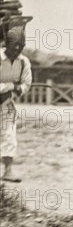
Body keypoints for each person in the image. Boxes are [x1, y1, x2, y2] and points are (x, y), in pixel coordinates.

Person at [0, 27, 32, 182]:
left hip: (6, 103)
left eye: (21, 45)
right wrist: (10, 86)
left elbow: (26, 83)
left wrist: (19, 89)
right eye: (14, 45)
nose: (17, 48)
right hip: (5, 94)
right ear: (7, 44)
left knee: (9, 136)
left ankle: (8, 171)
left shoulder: (23, 62)